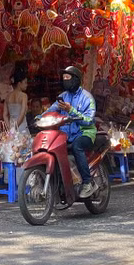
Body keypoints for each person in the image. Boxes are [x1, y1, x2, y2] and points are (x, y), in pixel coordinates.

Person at [50, 66, 98, 198]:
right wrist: (39, 117)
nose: (65, 80)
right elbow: (51, 110)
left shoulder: (87, 98)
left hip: (85, 133)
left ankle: (88, 183)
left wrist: (71, 110)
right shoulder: (62, 97)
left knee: (77, 147)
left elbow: (89, 120)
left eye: (68, 78)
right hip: (65, 135)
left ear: (76, 80)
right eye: (63, 78)